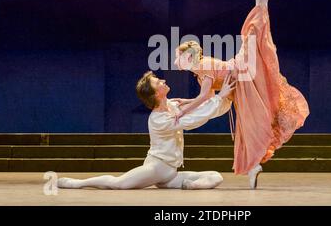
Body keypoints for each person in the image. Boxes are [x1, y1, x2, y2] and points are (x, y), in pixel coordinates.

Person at [173, 0, 310, 188]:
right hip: (242, 82)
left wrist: (185, 108)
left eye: (178, 57)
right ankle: (255, 166)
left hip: (243, 71)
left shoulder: (202, 67)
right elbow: (210, 95)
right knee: (253, 126)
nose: (175, 61)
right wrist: (186, 102)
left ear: (189, 57)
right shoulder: (201, 69)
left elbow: (206, 97)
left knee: (258, 14)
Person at [57, 71, 235, 190]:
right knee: (119, 184)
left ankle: (191, 186)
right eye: (159, 82)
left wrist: (223, 99)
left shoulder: (173, 105)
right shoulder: (158, 119)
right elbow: (193, 121)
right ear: (156, 93)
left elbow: (201, 111)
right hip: (156, 168)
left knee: (215, 177)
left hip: (171, 173)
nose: (163, 81)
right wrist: (219, 98)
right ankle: (77, 183)